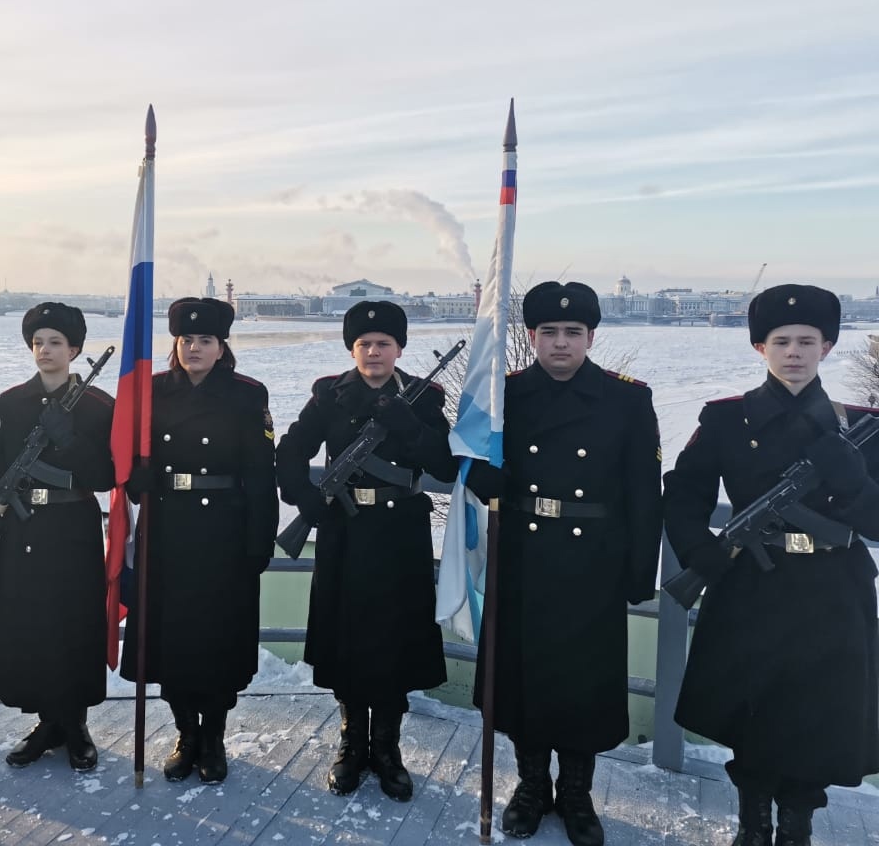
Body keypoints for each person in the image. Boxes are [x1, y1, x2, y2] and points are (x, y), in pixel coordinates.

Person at [664, 284, 879, 846]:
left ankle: (796, 828)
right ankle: (753, 825)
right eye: (781, 341)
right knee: (752, 709)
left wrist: (853, 480)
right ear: (760, 347)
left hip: (833, 590)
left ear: (827, 347)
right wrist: (699, 550)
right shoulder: (725, 420)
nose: (794, 353)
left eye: (807, 341)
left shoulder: (860, 426)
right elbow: (682, 495)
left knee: (819, 714)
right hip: (751, 585)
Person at [466, 281, 662, 846]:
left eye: (573, 332)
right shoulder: (504, 395)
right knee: (523, 679)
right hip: (522, 559)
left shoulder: (627, 400)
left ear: (591, 337)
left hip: (593, 563)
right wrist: (479, 474)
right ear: (531, 336)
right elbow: (467, 455)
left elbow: (644, 493)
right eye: (548, 331)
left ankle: (576, 793)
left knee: (582, 683)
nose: (560, 342)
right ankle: (532, 787)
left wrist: (638, 574)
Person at [275, 300, 456, 802]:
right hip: (345, 530)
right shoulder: (329, 395)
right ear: (351, 349)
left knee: (396, 640)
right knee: (347, 639)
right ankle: (352, 744)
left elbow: (445, 464)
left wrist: (410, 426)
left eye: (384, 343)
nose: (374, 352)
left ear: (399, 349)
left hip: (401, 535)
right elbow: (291, 450)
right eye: (364, 344)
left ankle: (388, 750)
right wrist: (306, 497)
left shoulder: (423, 397)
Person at [120, 297, 278, 785]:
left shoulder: (247, 394)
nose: (193, 348)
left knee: (217, 639)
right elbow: (125, 452)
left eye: (205, 340)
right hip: (166, 529)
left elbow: (261, 474)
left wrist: (260, 540)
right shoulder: (151, 390)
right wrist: (135, 479)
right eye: (186, 340)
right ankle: (185, 733)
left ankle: (213, 737)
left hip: (223, 532)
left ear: (221, 347)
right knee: (171, 639)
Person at [0, 303, 115, 772]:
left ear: (74, 350)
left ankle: (74, 724)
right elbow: (1, 462)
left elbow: (106, 477)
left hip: (73, 525)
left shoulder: (98, 406)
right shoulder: (13, 402)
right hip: (25, 526)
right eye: (38, 342)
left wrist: (71, 442)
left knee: (73, 623)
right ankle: (46, 722)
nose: (45, 350)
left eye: (55, 342)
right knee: (31, 623)